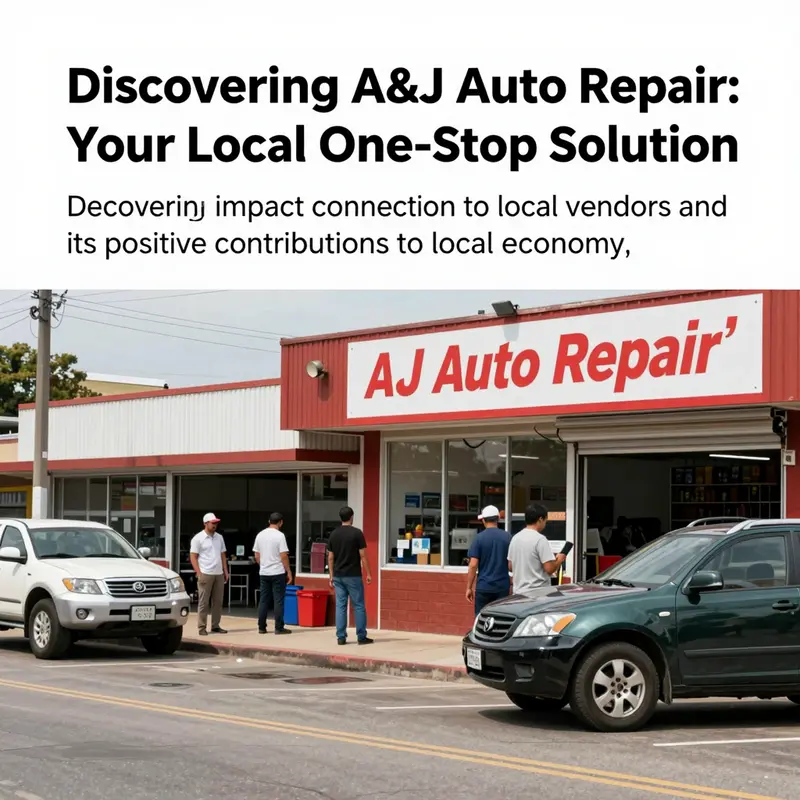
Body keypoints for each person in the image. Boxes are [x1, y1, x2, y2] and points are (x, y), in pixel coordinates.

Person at [327, 506, 373, 646]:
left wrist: (331, 575)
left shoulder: (333, 534)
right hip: (353, 575)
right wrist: (369, 573)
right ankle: (361, 636)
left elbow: (330, 557)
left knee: (341, 606)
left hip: (338, 576)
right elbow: (363, 555)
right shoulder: (357, 533)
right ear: (351, 517)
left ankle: (341, 637)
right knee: (358, 605)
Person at [507, 503, 566, 593]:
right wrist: (559, 560)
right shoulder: (540, 539)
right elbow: (549, 569)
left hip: (518, 592)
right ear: (540, 519)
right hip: (538, 592)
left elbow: (510, 566)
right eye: (545, 521)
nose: (545, 524)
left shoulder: (515, 538)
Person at [465, 505, 512, 616]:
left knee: (481, 619)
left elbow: (473, 565)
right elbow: (511, 564)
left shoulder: (479, 538)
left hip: (484, 587)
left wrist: (469, 588)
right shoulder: (508, 537)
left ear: (483, 520)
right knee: (502, 618)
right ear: (498, 519)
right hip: (502, 587)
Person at [253, 511, 293, 635]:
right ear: (280, 523)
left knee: (264, 600)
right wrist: (289, 571)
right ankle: (279, 627)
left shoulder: (260, 535)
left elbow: (257, 555)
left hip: (264, 573)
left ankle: (261, 627)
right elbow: (283, 556)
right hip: (277, 572)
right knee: (278, 600)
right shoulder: (280, 536)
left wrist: (263, 565)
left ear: (269, 521)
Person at [189, 512, 228, 636]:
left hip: (218, 573)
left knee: (218, 601)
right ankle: (202, 627)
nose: (215, 525)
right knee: (204, 602)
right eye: (213, 523)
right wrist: (198, 573)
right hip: (205, 572)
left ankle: (216, 625)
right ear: (206, 523)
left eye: (216, 523)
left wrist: (225, 570)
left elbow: (223, 554)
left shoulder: (219, 537)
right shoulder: (198, 538)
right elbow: (193, 556)